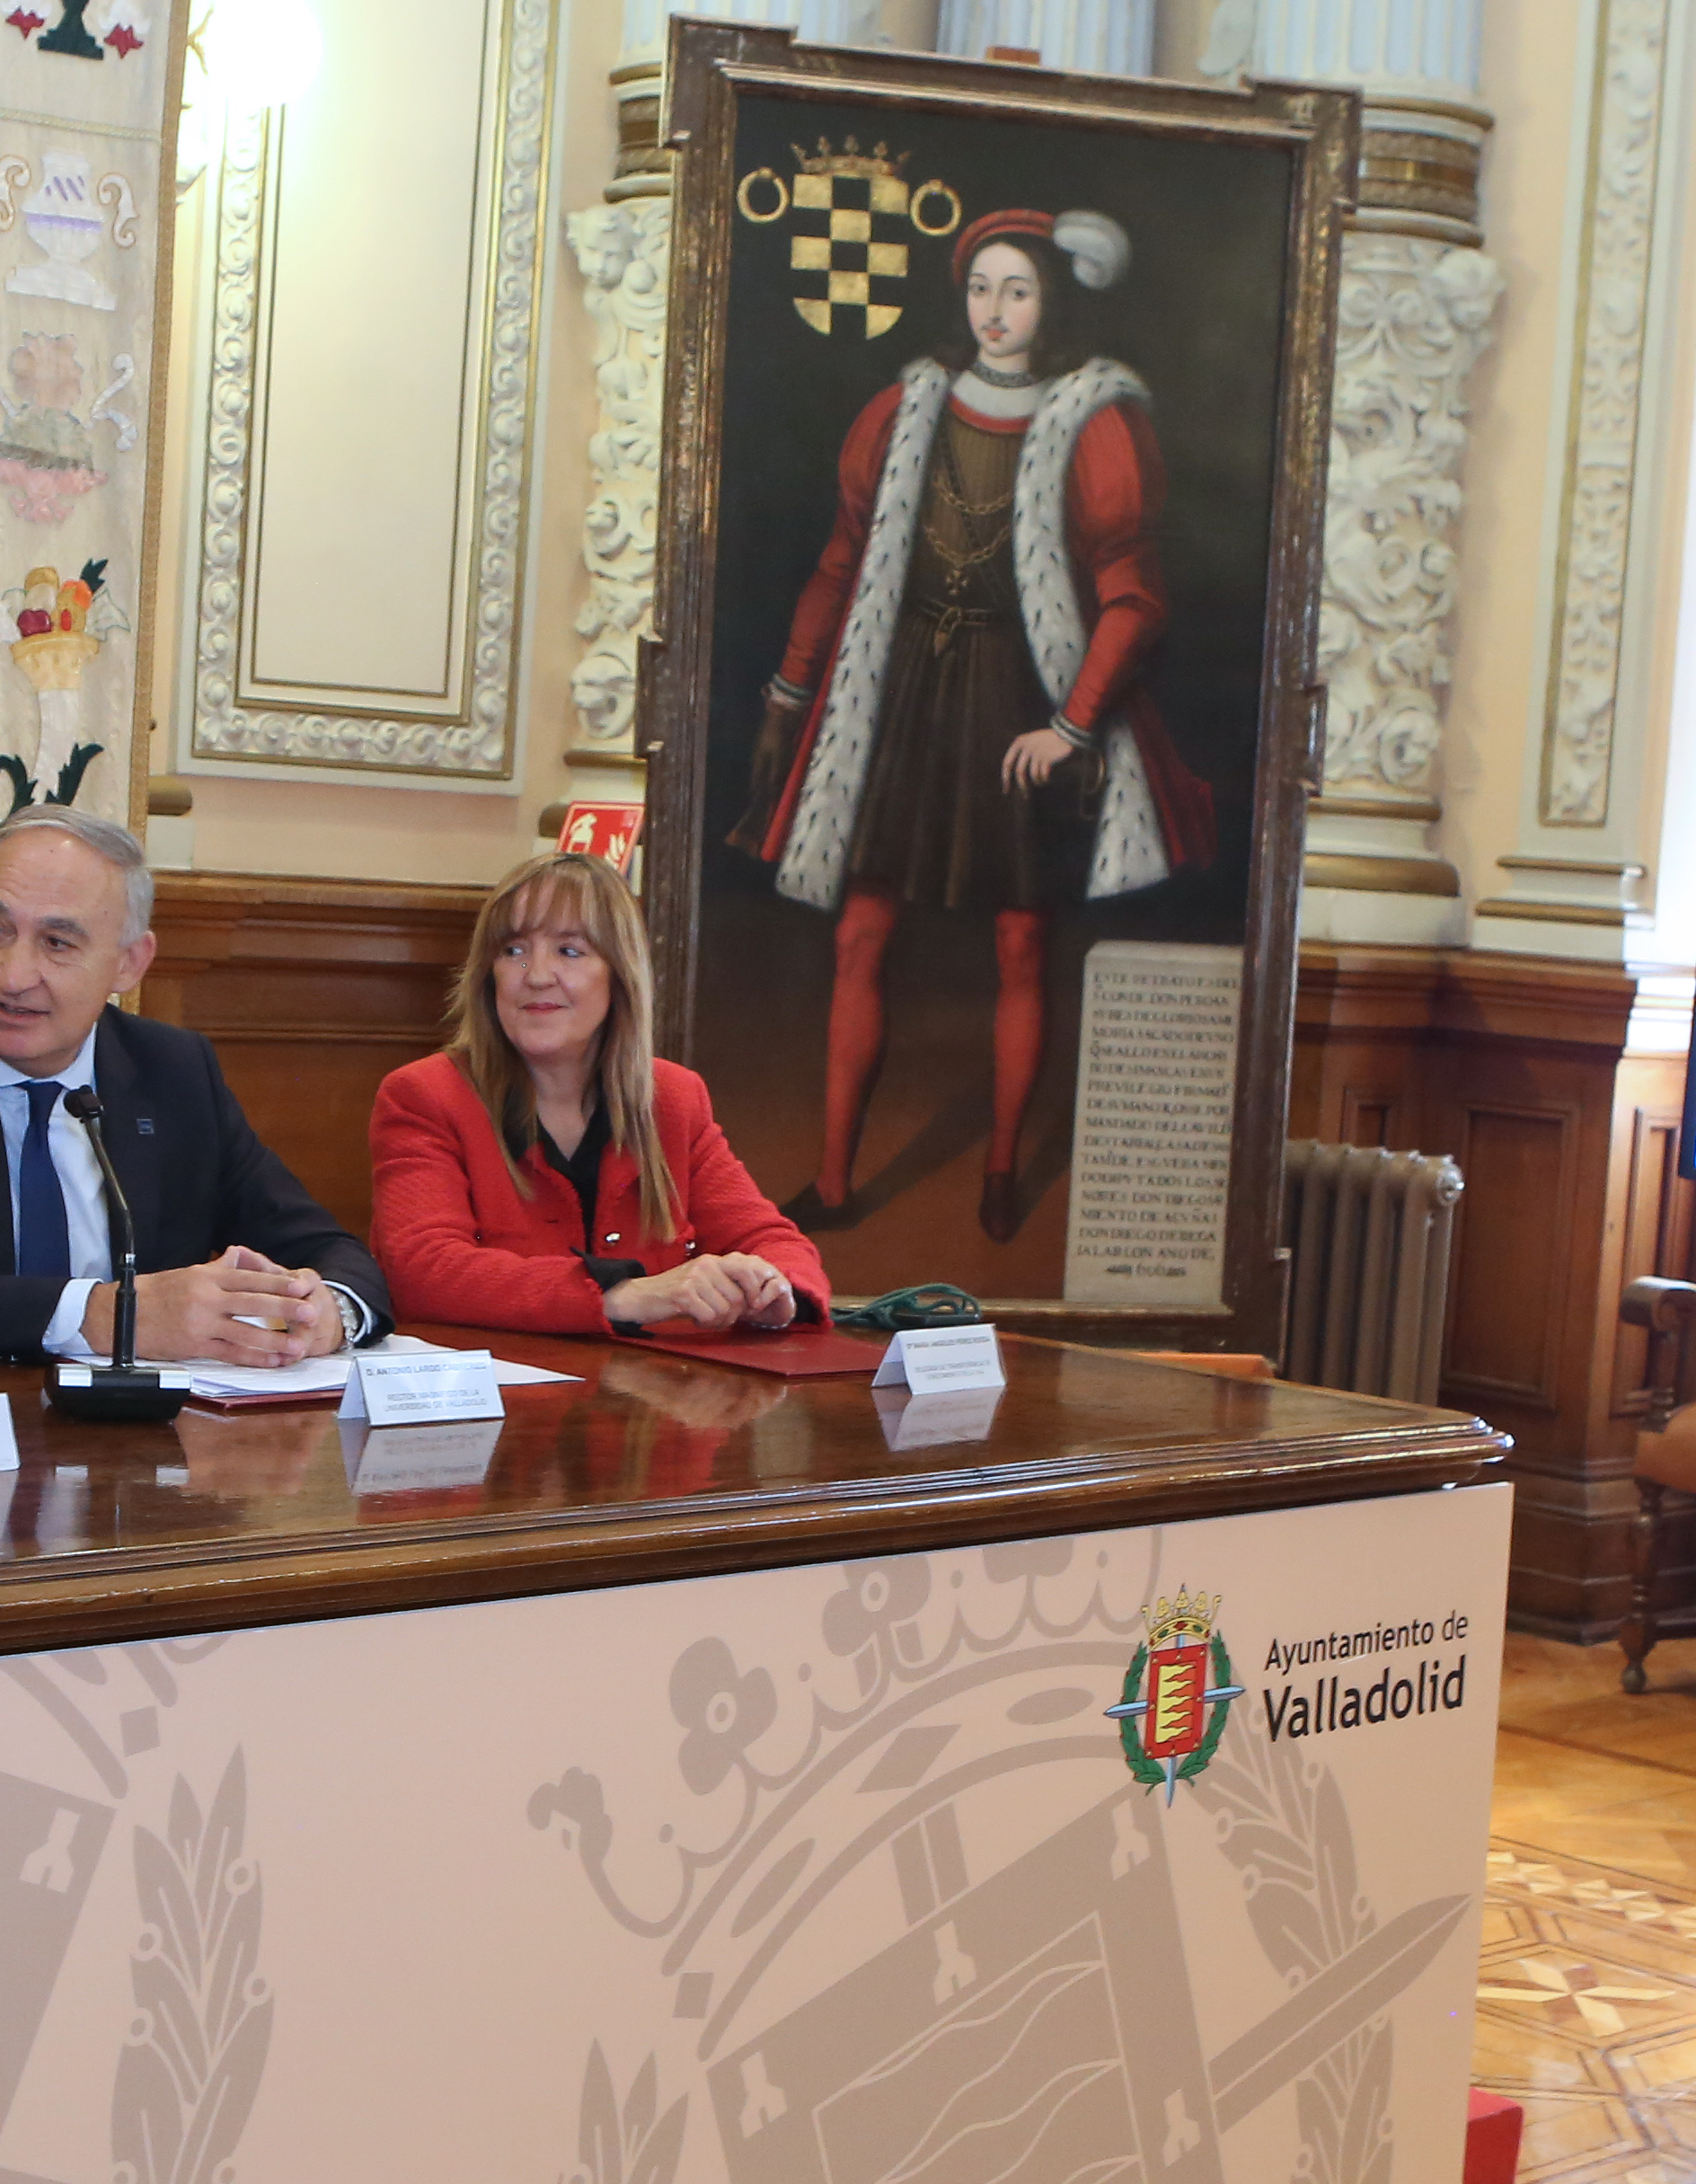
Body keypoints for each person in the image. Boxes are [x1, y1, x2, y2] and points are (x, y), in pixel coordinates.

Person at [738, 204, 1216, 1240]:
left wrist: (1073, 726)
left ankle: (1000, 1172)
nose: (995, 312)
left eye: (1018, 290)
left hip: (1021, 696)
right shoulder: (905, 409)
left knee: (1019, 945)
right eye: (980, 289)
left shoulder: (1097, 422)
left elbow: (1135, 602)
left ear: (1052, 302)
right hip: (901, 691)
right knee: (862, 932)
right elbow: (842, 557)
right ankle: (830, 1180)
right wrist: (790, 680)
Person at [0, 805, 390, 1367]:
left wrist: (326, 1314)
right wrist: (107, 1316)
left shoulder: (173, 1070)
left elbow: (330, 1252)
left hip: (140, 1450)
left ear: (129, 963)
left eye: (56, 943)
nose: (13, 975)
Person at [368, 848, 827, 1336]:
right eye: (514, 950)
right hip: (503, 1399)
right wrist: (625, 1294)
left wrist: (770, 1288)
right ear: (488, 976)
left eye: (570, 951)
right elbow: (421, 1271)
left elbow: (773, 1241)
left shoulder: (673, 1098)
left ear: (620, 976)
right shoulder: (424, 1096)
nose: (537, 975)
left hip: (658, 1398)